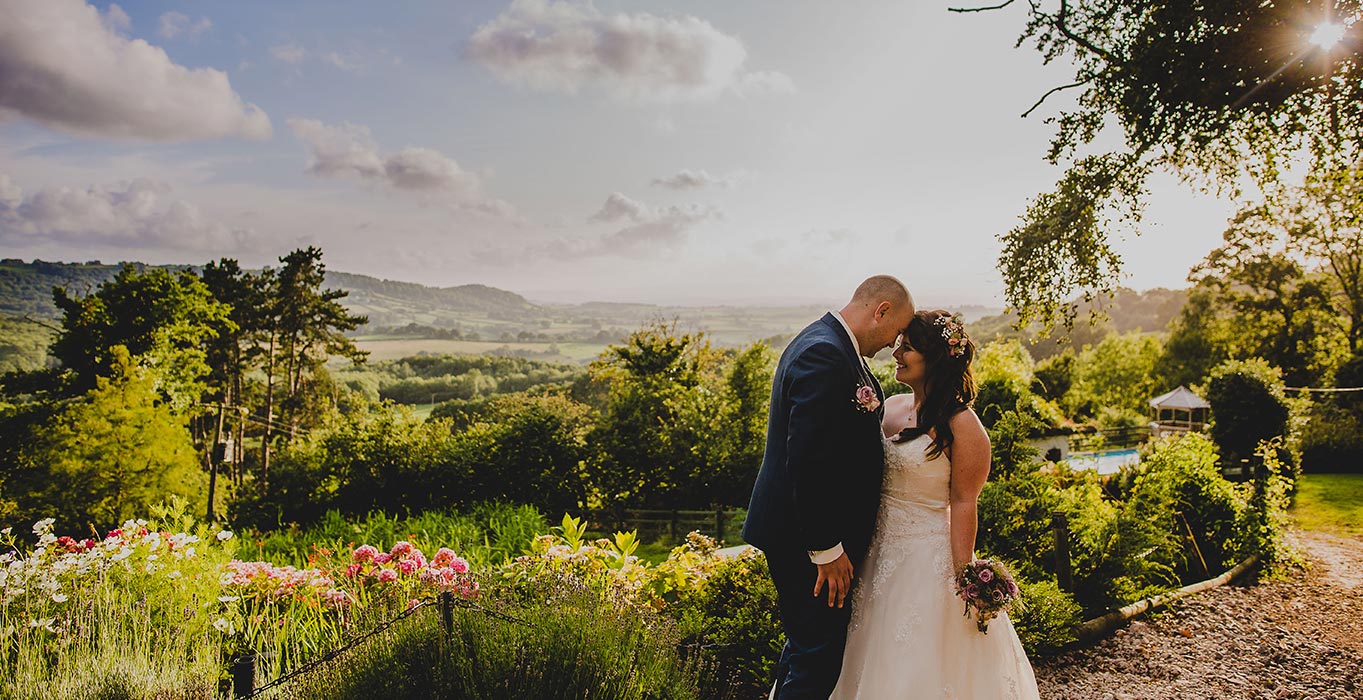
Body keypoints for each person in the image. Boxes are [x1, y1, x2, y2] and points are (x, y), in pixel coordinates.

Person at [830, 310, 1039, 699]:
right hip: (871, 553)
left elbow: (963, 503)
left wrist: (967, 579)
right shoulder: (888, 408)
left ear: (935, 360)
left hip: (926, 562)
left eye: (907, 348)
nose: (896, 353)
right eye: (898, 344)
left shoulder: (964, 428)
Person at [742, 275, 916, 699]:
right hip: (809, 542)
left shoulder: (834, 347)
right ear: (882, 311)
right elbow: (808, 459)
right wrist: (826, 549)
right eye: (895, 332)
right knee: (817, 659)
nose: (893, 345)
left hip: (810, 537)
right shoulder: (824, 353)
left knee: (806, 648)